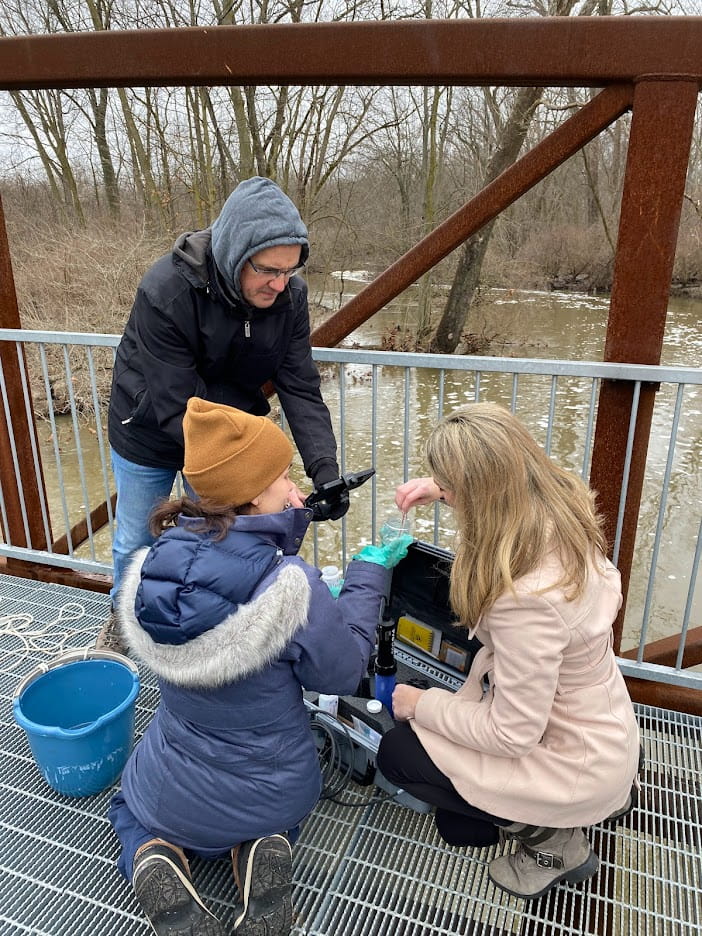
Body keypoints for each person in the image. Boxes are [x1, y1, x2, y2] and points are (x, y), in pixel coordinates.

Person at [107, 397, 409, 936]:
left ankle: (152, 853)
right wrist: (367, 577)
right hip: (272, 787)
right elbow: (340, 674)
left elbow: (225, 589)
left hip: (167, 786)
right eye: (283, 478)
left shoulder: (153, 567)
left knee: (130, 808)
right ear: (250, 495)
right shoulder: (291, 584)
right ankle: (260, 847)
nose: (295, 491)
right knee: (276, 820)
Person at [376, 402, 641, 901]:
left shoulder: (525, 600)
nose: (445, 494)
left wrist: (421, 704)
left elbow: (512, 734)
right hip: (603, 724)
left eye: (451, 488)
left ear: (480, 492)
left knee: (399, 754)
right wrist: (440, 487)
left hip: (573, 760)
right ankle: (594, 801)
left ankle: (553, 844)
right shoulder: (564, 507)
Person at [98, 176, 346, 653]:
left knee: (224, 539)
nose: (280, 284)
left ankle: (208, 630)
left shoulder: (289, 299)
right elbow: (177, 403)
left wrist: (325, 470)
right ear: (235, 255)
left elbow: (299, 385)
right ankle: (123, 625)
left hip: (229, 427)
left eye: (290, 270)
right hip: (149, 426)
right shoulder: (166, 290)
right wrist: (249, 477)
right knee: (135, 538)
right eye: (268, 270)